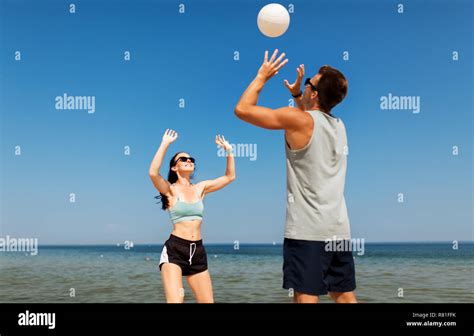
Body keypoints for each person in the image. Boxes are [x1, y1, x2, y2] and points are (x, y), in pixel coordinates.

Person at [234, 49, 357, 303]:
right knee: (344, 295)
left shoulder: (297, 119)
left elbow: (243, 109)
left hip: (308, 231)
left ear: (314, 92)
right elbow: (311, 116)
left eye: (309, 81)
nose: (306, 82)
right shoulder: (339, 126)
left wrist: (262, 76)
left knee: (305, 297)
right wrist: (298, 93)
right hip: (339, 230)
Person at [148, 129, 236, 303]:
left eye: (191, 159)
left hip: (197, 251)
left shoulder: (200, 188)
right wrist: (165, 143)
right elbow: (153, 173)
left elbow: (230, 176)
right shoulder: (170, 190)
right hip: (175, 250)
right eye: (183, 159)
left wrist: (229, 151)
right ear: (174, 167)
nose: (188, 161)